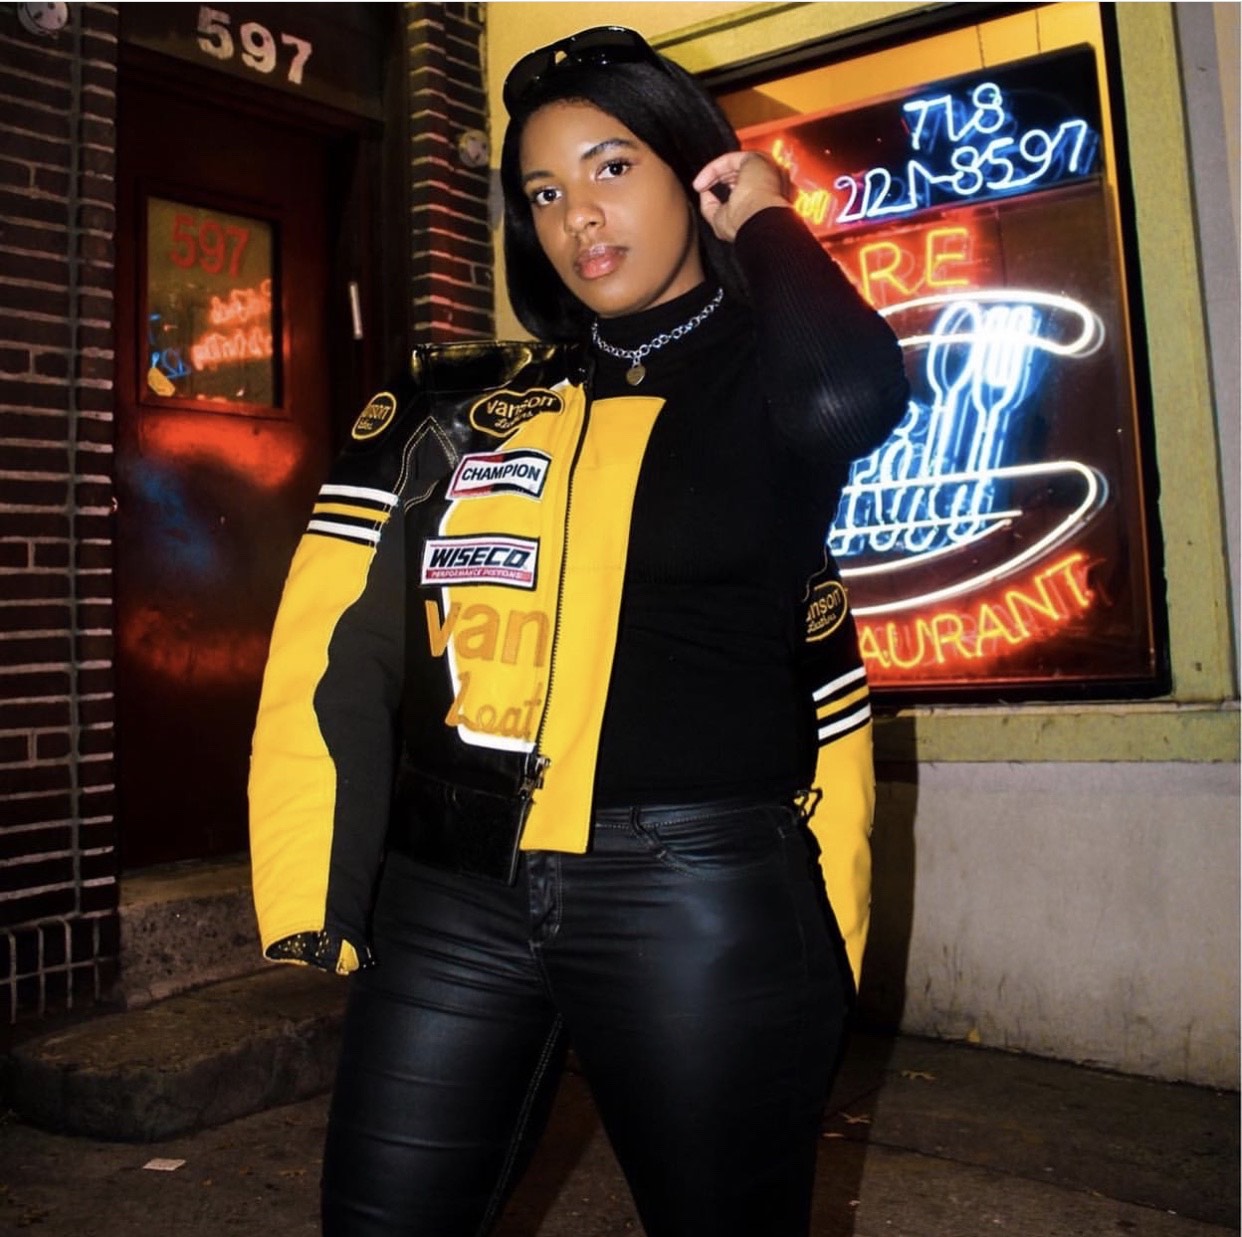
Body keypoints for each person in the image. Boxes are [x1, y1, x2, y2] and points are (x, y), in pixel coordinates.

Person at [249, 25, 908, 1237]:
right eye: (545, 192)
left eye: (613, 168)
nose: (579, 217)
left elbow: (849, 396)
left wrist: (764, 212)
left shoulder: (769, 372)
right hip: (453, 896)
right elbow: (347, 631)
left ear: (693, 174)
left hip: (691, 892)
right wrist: (319, 872)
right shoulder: (474, 403)